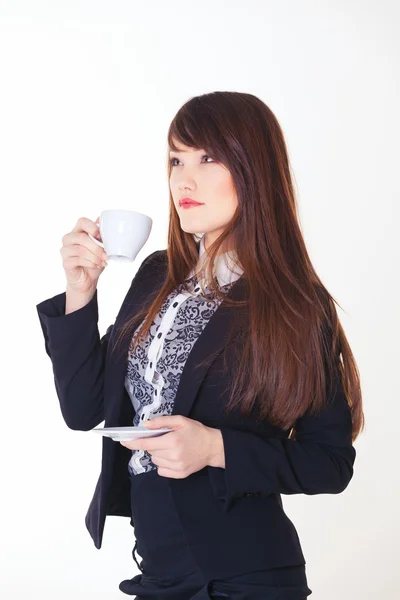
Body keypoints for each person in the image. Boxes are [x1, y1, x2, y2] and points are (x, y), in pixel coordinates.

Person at [36, 91, 364, 600]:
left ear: (253, 168)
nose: (183, 180)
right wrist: (80, 293)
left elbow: (330, 461)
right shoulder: (156, 275)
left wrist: (215, 448)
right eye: (176, 159)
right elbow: (83, 410)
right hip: (158, 573)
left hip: (245, 577)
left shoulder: (292, 303)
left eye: (208, 158)